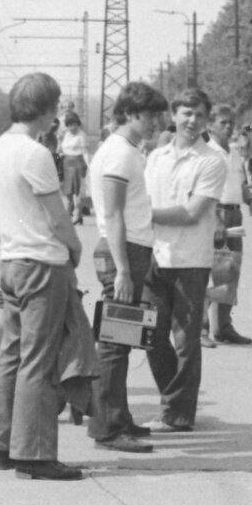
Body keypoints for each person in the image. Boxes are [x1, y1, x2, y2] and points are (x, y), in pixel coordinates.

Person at [0, 72, 85, 481]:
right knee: (39, 362)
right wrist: (74, 248)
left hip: (9, 264)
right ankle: (36, 454)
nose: (56, 116)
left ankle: (4, 443)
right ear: (45, 108)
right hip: (41, 264)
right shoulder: (35, 153)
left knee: (11, 356)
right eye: (55, 107)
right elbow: (55, 216)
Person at [84, 82, 170, 454]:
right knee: (114, 345)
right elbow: (114, 214)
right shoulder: (120, 154)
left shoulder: (126, 150)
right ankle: (108, 428)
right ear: (132, 113)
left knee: (123, 340)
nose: (157, 122)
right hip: (122, 252)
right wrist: (122, 269)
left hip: (132, 250)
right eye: (151, 115)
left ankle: (118, 418)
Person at [144, 87, 228, 432]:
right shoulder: (156, 157)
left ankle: (178, 413)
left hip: (190, 260)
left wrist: (141, 216)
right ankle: (173, 401)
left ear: (206, 120)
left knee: (185, 339)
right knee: (150, 335)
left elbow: (193, 213)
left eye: (199, 115)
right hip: (153, 256)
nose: (192, 121)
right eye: (186, 114)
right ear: (173, 115)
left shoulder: (211, 160)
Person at [205, 103, 252, 347]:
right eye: (223, 123)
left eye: (231, 123)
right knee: (211, 273)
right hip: (214, 213)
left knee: (230, 271)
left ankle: (224, 326)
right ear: (210, 125)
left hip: (234, 213)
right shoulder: (206, 152)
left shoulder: (233, 151)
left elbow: (238, 181)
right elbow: (205, 189)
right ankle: (202, 327)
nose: (228, 128)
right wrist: (216, 218)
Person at [58, 112, 90, 224]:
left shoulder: (82, 135)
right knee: (67, 191)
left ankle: (77, 214)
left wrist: (88, 166)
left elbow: (85, 152)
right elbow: (60, 150)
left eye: (75, 124)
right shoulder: (65, 135)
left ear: (78, 125)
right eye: (70, 125)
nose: (72, 127)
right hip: (66, 163)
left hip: (78, 162)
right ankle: (71, 210)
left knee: (78, 190)